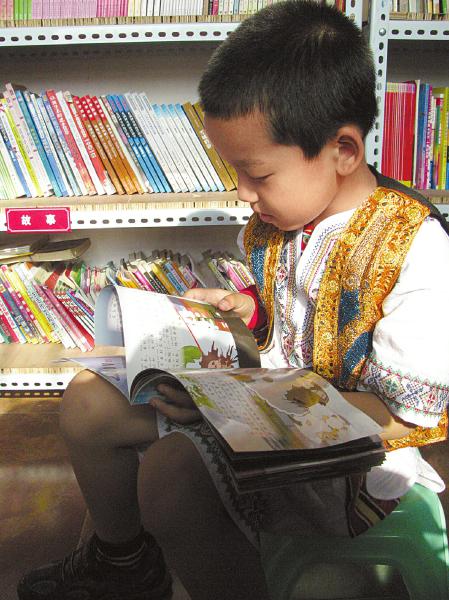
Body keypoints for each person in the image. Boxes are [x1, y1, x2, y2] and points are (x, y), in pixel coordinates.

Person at [18, 2, 449, 599]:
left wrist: (230, 404)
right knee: (86, 402)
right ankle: (124, 562)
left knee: (170, 479)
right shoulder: (281, 220)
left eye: (257, 174)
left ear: (344, 151)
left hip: (353, 463)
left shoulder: (416, 249)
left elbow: (404, 415)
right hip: (262, 404)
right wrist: (249, 310)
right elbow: (298, 310)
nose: (243, 194)